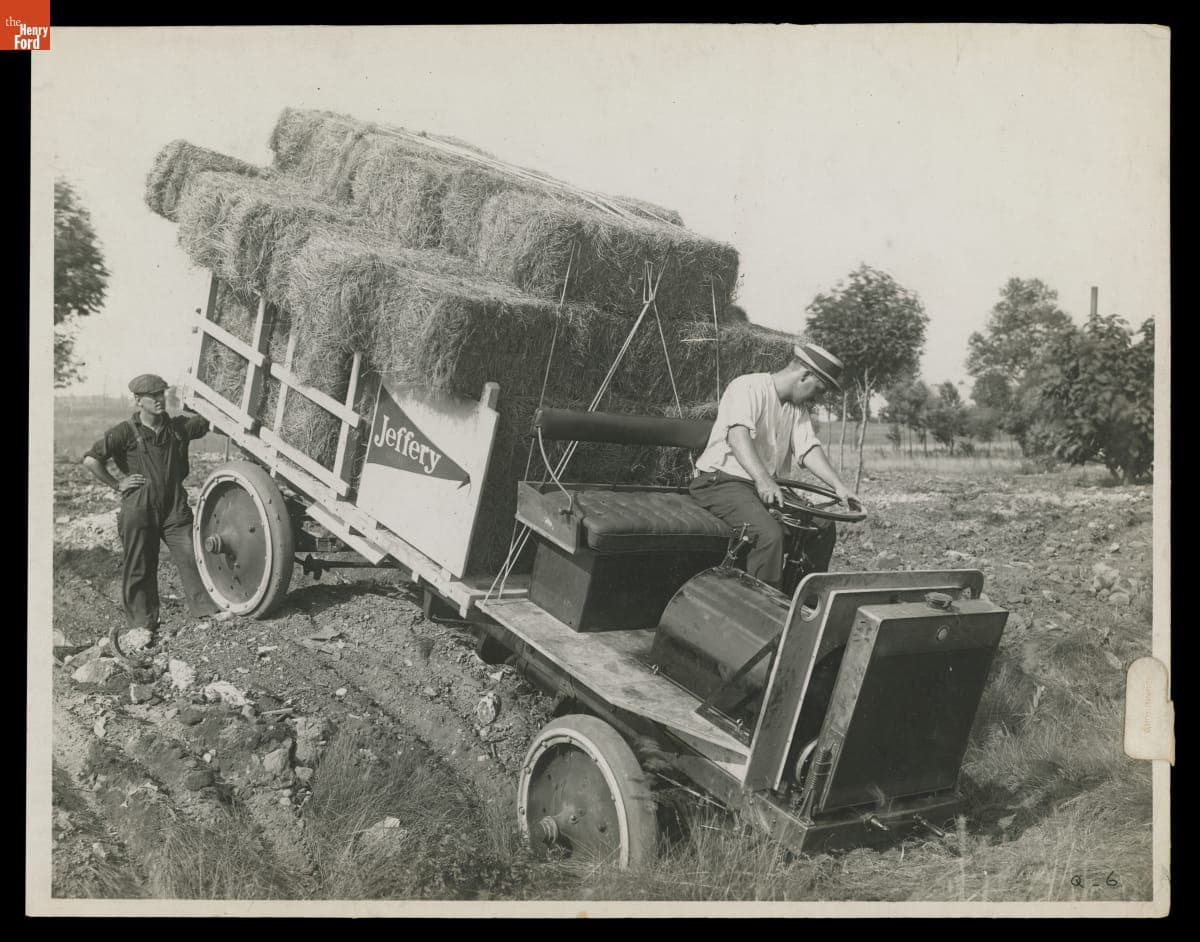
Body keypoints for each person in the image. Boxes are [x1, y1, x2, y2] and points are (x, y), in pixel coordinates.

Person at [689, 342, 859, 589]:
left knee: (822, 526)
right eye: (819, 390)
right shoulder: (748, 387)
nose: (818, 398)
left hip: (761, 486)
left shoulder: (796, 408)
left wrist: (839, 486)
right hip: (721, 482)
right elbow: (738, 437)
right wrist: (764, 480)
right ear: (804, 375)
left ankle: (800, 604)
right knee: (769, 535)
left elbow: (808, 448)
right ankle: (761, 613)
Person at [83, 374, 230, 637]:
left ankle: (207, 611)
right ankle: (142, 625)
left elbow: (207, 420)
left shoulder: (177, 428)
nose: (161, 400)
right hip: (139, 509)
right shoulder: (124, 432)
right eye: (154, 396)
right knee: (139, 565)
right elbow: (91, 460)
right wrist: (118, 484)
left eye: (163, 394)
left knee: (193, 555)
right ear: (139, 400)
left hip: (174, 507)